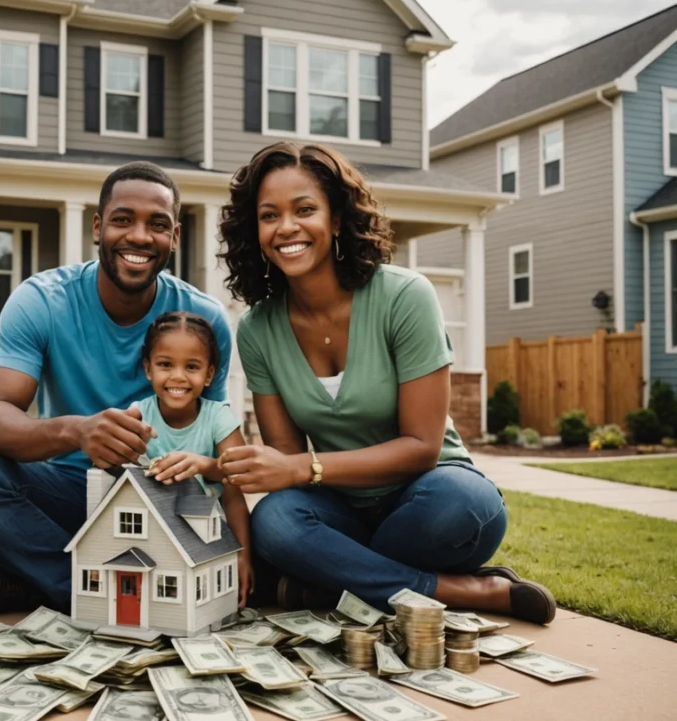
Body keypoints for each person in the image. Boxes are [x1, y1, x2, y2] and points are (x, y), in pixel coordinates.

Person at [215, 141, 556, 624]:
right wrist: (282, 472)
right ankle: (466, 591)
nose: (286, 227)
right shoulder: (257, 329)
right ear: (256, 231)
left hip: (426, 496)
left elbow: (421, 447)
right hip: (340, 512)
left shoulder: (404, 296)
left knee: (461, 504)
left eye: (305, 209)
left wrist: (301, 473)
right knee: (276, 521)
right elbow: (286, 466)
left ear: (336, 220)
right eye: (269, 216)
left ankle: (328, 581)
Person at [0, 162, 232, 616]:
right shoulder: (43, 300)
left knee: (261, 535)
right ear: (98, 227)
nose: (138, 236)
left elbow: (221, 451)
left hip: (171, 504)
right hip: (71, 493)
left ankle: (39, 586)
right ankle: (99, 594)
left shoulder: (204, 319)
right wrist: (75, 432)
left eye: (156, 225)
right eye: (122, 219)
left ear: (174, 235)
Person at [134, 311, 253, 606]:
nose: (177, 376)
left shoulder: (218, 418)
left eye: (191, 366)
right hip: (156, 537)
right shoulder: (138, 416)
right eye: (165, 364)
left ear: (209, 374)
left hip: (212, 538)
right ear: (148, 369)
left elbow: (236, 493)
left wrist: (242, 555)